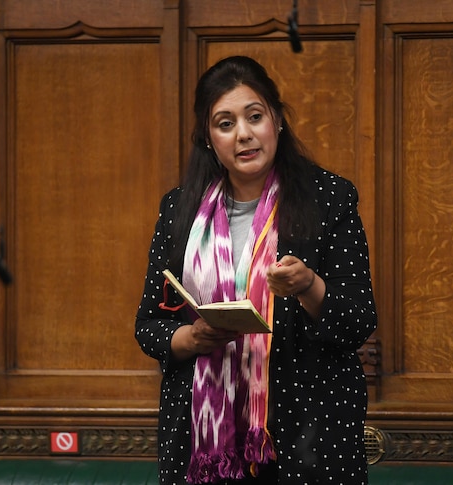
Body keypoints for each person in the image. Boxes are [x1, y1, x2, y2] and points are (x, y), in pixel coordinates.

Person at [135, 55, 377, 485]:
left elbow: (359, 320)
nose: (243, 134)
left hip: (308, 431)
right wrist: (188, 337)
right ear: (208, 138)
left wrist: (309, 286)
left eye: (254, 117)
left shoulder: (329, 198)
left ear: (278, 120)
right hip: (203, 439)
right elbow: (149, 325)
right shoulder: (179, 211)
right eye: (225, 123)